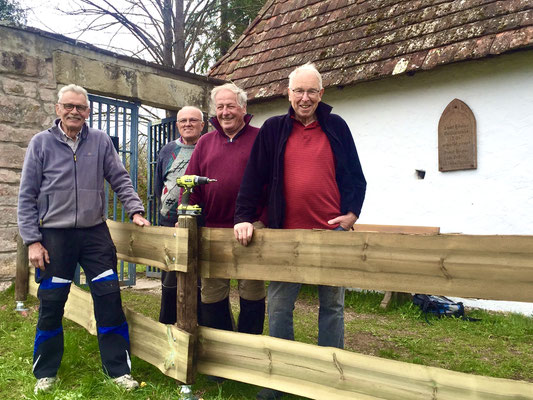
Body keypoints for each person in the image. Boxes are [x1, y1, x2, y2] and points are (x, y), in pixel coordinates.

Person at [234, 63, 366, 400]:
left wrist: (352, 213)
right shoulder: (274, 129)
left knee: (332, 305)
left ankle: (329, 376)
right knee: (279, 306)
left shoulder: (336, 126)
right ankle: (281, 376)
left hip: (330, 232)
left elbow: (354, 173)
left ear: (321, 94)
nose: (304, 98)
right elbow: (254, 177)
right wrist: (244, 216)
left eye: (311, 91)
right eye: (298, 91)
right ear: (288, 93)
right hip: (285, 234)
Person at [17, 84, 151, 394]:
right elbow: (26, 197)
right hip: (54, 238)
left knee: (109, 299)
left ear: (88, 111)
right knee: (51, 303)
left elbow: (119, 177)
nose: (74, 111)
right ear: (58, 109)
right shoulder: (41, 144)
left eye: (80, 107)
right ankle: (46, 372)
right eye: (69, 106)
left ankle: (118, 370)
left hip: (94, 235)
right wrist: (32, 241)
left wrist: (135, 210)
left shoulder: (101, 141)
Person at [184, 83, 266, 336]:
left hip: (251, 230)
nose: (225, 112)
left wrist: (260, 221)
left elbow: (272, 183)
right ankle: (220, 353)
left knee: (251, 292)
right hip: (213, 230)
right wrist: (186, 214)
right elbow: (189, 185)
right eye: (220, 107)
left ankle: (249, 351)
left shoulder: (260, 138)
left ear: (243, 108)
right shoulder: (205, 142)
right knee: (211, 294)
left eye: (230, 106)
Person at [155, 106, 204, 324]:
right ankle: (167, 325)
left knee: (200, 279)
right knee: (169, 277)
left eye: (193, 120)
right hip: (168, 224)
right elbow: (159, 186)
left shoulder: (208, 146)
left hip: (200, 223)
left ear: (202, 125)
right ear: (177, 125)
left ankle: (200, 325)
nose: (187, 124)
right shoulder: (166, 150)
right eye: (183, 120)